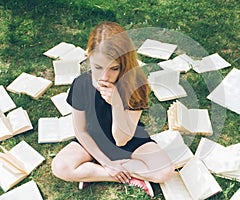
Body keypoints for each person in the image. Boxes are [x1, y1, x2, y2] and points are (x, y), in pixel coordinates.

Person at [51, 21, 174, 197]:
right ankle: (120, 175)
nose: (105, 76)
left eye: (114, 68)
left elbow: (121, 140)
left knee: (165, 171)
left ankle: (92, 172)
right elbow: (80, 130)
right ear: (89, 58)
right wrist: (107, 163)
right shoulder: (81, 84)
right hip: (93, 139)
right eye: (98, 67)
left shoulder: (136, 85)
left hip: (128, 138)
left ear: (124, 64)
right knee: (60, 166)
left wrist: (116, 103)